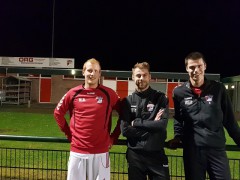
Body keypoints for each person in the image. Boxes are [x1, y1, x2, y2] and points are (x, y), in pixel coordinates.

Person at [168, 52, 240, 180]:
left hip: (216, 150)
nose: (196, 70)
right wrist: (178, 136)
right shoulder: (179, 92)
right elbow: (179, 118)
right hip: (193, 152)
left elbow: (229, 120)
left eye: (199, 66)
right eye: (192, 67)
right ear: (186, 69)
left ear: (205, 66)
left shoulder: (218, 89)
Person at [54, 58, 121, 180]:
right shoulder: (73, 93)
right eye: (89, 70)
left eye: (96, 71)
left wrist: (114, 137)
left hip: (101, 153)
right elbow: (58, 113)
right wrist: (69, 135)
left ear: (100, 74)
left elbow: (125, 115)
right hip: (78, 152)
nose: (92, 74)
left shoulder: (109, 93)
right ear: (83, 72)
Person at [120, 62, 170, 180]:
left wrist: (136, 123)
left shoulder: (161, 98)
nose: (141, 78)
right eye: (138, 75)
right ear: (133, 77)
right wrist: (152, 127)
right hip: (135, 156)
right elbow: (125, 130)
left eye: (144, 75)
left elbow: (162, 125)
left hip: (156, 154)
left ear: (149, 77)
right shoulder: (127, 101)